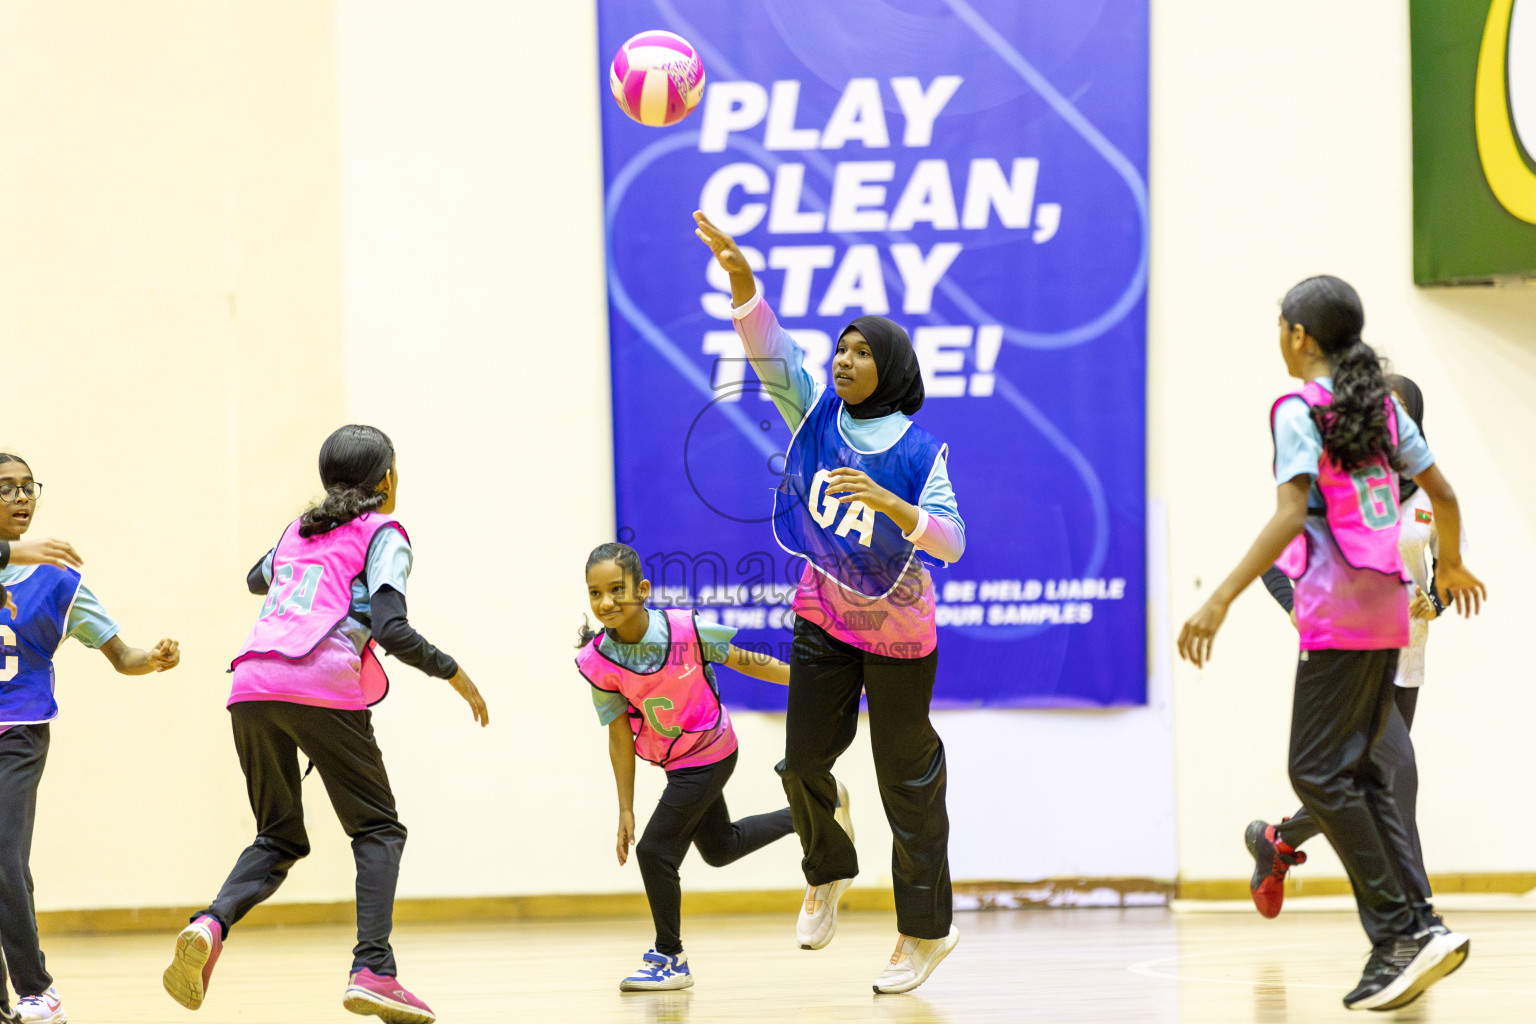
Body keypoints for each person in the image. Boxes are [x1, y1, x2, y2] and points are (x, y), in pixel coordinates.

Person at [1177, 277, 1485, 1012]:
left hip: (1339, 615)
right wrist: (1453, 562)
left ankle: (1395, 938)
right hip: (1390, 617)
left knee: (1316, 771)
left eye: (1280, 327)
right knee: (1370, 776)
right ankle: (1420, 925)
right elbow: (1441, 493)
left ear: (1299, 337)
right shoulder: (1382, 407)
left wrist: (1218, 597)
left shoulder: (1297, 410)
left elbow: (1290, 516)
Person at [694, 210, 964, 994]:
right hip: (823, 615)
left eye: (862, 351)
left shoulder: (919, 451)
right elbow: (771, 352)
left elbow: (952, 540)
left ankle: (923, 934)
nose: (845, 358)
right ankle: (828, 869)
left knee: (907, 786)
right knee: (803, 760)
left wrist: (895, 503)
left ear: (893, 369)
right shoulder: (813, 411)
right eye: (841, 347)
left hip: (903, 638)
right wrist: (743, 284)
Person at [162, 425, 489, 1024]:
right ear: (387, 479)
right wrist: (451, 671)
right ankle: (374, 970)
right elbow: (392, 629)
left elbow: (258, 578)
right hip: (319, 683)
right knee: (379, 830)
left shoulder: (297, 529)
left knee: (278, 836)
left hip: (250, 682)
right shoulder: (384, 532)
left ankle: (212, 923)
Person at [1246, 376, 1448, 920]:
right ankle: (1415, 918)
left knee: (1363, 774)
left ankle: (1277, 842)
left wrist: (1436, 598)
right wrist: (1296, 608)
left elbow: (1448, 570)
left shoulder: (1431, 495)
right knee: (1398, 774)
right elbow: (1275, 557)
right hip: (1352, 655)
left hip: (1408, 659)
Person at [0, 453, 180, 1024]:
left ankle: (37, 990)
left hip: (19, 732)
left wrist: (147, 658)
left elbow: (119, 654)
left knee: (3, 859)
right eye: (6, 489)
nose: (21, 498)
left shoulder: (60, 581)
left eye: (28, 487)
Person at [577, 542, 802, 991]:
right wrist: (625, 808)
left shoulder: (685, 630)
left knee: (654, 851)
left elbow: (748, 661)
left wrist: (812, 685)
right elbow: (619, 736)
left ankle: (669, 956)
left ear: (641, 589)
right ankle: (816, 810)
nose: (605, 603)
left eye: (616, 590)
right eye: (595, 593)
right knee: (720, 849)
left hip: (714, 752)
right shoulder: (599, 661)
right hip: (677, 765)